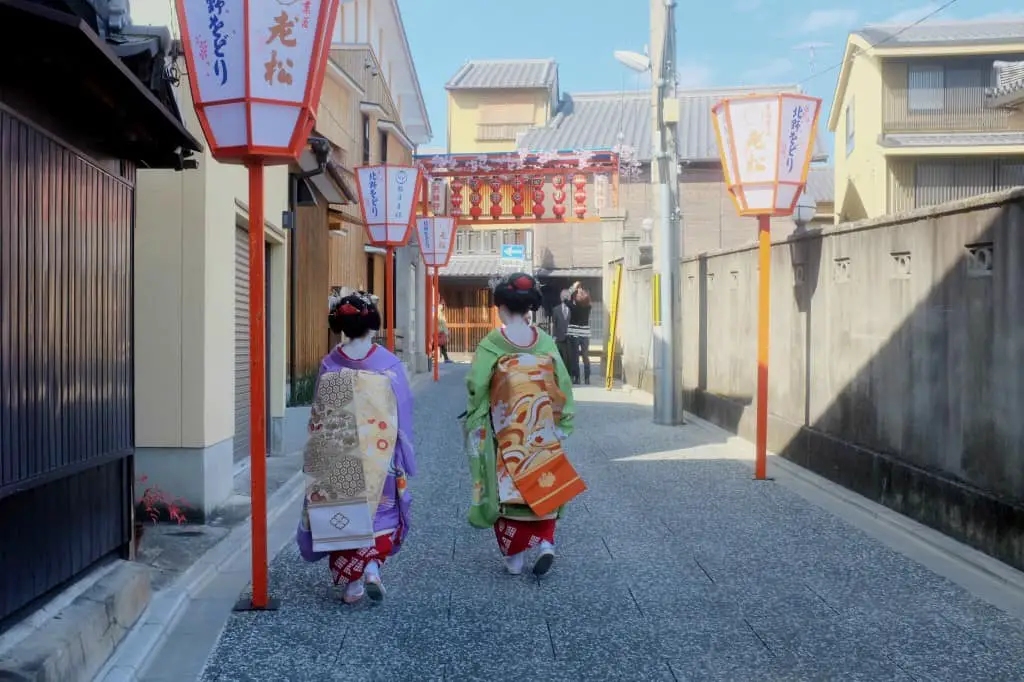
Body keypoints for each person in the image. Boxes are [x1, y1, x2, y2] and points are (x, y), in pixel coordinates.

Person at [296, 291, 416, 604]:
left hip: (339, 455)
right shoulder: (388, 364)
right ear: (372, 326)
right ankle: (373, 567)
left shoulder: (330, 364)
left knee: (342, 514)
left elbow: (319, 414)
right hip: (381, 451)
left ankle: (353, 585)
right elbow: (403, 410)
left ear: (340, 327)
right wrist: (405, 454)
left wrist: (314, 455)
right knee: (380, 515)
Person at [463, 273, 585, 577]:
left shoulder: (492, 343)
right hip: (542, 430)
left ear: (501, 307)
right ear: (531, 307)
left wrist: (477, 418)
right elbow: (563, 383)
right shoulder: (544, 342)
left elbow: (477, 385)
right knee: (545, 487)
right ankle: (545, 543)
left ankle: (515, 558)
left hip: (507, 432)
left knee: (508, 492)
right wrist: (562, 421)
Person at [567, 281, 592, 385]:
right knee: (585, 356)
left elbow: (566, 297)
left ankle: (576, 378)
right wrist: (582, 291)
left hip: (574, 332)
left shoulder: (573, 307)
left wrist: (574, 287)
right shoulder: (588, 307)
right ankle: (587, 378)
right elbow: (587, 298)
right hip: (585, 333)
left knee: (575, 356)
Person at [551, 289, 572, 371]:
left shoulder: (572, 309)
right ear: (560, 298)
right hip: (559, 337)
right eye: (563, 296)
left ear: (570, 298)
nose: (565, 297)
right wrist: (553, 337)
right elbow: (554, 324)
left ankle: (570, 375)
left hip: (570, 337)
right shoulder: (556, 309)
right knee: (560, 357)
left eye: (567, 296)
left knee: (570, 357)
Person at [437, 298, 452, 364]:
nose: (444, 305)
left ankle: (446, 358)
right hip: (440, 331)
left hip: (437, 331)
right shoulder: (439, 312)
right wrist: (446, 332)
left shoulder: (438, 311)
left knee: (441, 345)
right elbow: (443, 323)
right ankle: (446, 358)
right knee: (440, 344)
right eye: (443, 303)